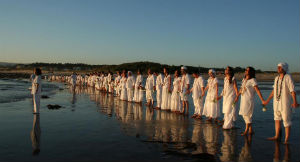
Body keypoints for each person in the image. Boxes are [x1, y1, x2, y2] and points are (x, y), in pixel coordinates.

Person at [263, 63, 299, 144]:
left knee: (286, 120)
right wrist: (267, 100)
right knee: (277, 119)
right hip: (276, 103)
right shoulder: (276, 78)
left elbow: (292, 90)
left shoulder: (288, 77)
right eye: (278, 67)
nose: (278, 68)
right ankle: (276, 136)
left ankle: (286, 139)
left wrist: (295, 101)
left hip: (285, 103)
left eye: (280, 67)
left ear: (284, 68)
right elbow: (274, 91)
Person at [236, 67, 265, 136]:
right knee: (244, 114)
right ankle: (250, 130)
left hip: (249, 100)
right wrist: (237, 96)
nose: (246, 71)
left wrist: (262, 100)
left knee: (247, 114)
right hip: (243, 99)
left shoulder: (253, 80)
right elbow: (241, 89)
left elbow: (257, 90)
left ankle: (246, 130)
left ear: (251, 72)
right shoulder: (244, 79)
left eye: (248, 70)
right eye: (246, 70)